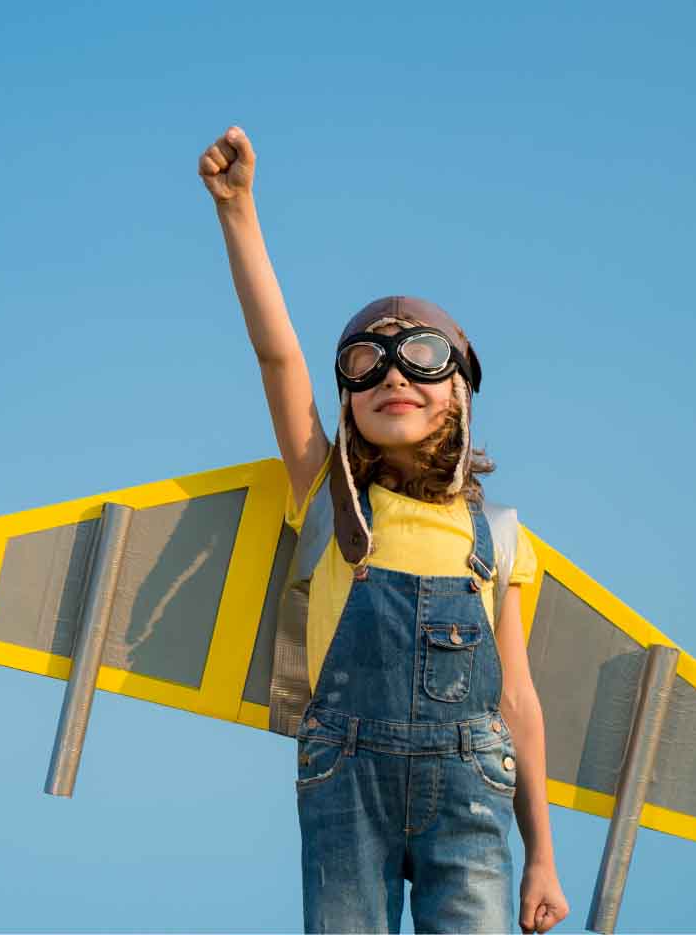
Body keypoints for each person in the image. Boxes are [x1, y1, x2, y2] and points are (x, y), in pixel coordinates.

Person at [199, 125, 572, 933]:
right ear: (346, 401)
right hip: (347, 783)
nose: (394, 374)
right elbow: (278, 360)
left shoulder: (500, 535)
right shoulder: (330, 494)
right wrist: (238, 211)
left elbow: (517, 697)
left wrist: (541, 852)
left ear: (461, 392)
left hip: (474, 788)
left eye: (420, 358)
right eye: (368, 363)